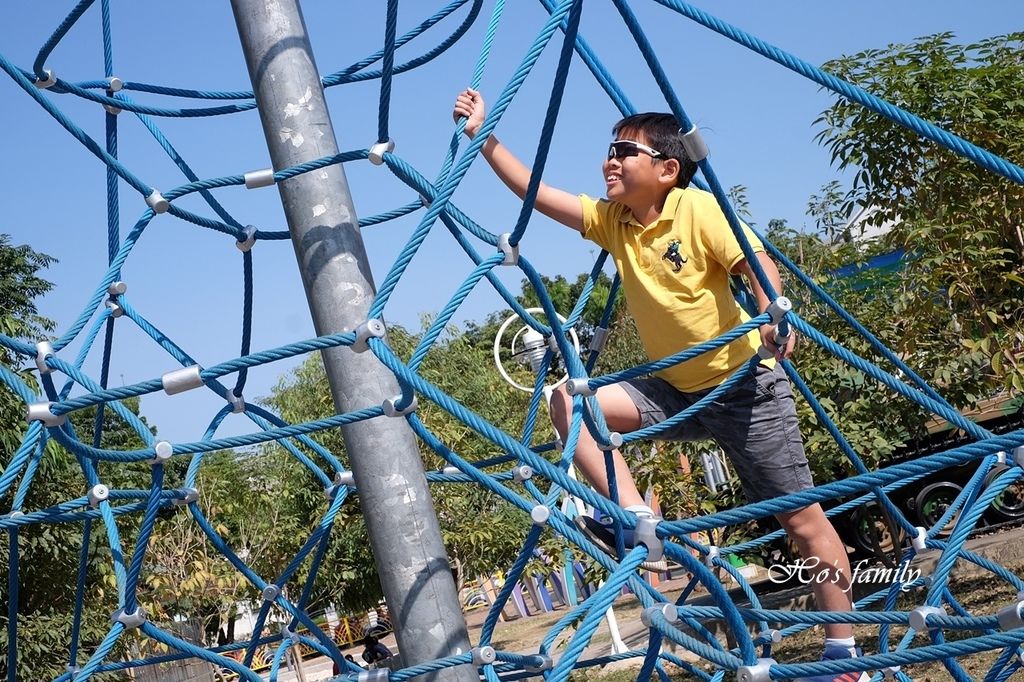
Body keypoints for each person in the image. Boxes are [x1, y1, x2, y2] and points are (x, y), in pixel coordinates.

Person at [453, 88, 866, 682]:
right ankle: (632, 517)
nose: (609, 160)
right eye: (609, 150)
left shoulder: (697, 210)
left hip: (745, 387)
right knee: (567, 400)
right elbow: (535, 192)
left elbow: (753, 262)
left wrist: (775, 308)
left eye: (625, 150)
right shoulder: (614, 222)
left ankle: (843, 654)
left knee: (801, 522)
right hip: (672, 389)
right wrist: (482, 135)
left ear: (668, 170)